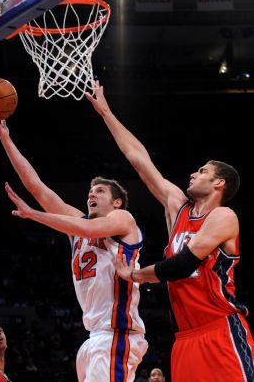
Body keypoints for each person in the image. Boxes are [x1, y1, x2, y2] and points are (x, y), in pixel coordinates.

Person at [86, 82, 254, 382]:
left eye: (203, 171)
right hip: (185, 338)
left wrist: (135, 274)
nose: (193, 173)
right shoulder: (178, 208)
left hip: (220, 329)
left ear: (220, 184)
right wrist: (106, 113)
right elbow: (140, 160)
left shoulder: (224, 216)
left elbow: (183, 264)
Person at [0, 112, 148, 382]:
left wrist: (34, 215)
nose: (92, 194)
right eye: (90, 191)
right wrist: (5, 138)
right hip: (94, 339)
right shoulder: (77, 229)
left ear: (117, 202)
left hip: (117, 335)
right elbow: (37, 188)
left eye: (100, 191)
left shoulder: (123, 220)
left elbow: (88, 229)